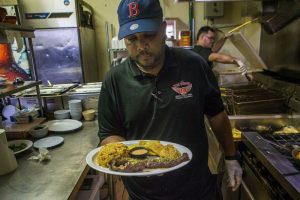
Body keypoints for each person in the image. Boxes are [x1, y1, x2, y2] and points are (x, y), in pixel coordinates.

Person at [98, 0, 242, 199]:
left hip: (195, 187)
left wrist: (231, 156)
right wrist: (128, 160)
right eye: (132, 39)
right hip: (143, 191)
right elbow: (110, 133)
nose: (141, 46)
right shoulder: (114, 80)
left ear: (163, 29)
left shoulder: (194, 65)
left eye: (149, 35)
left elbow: (216, 114)